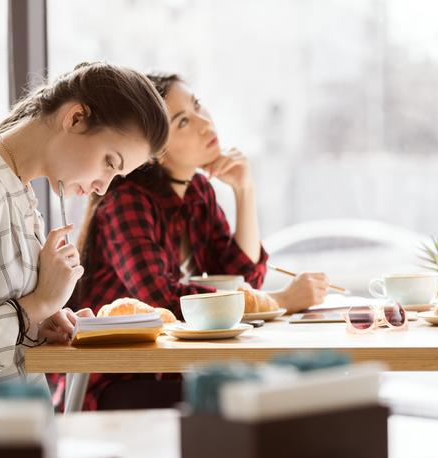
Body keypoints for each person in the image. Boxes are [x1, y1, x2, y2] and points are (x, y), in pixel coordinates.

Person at [50, 73, 329, 411]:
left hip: (172, 370)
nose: (203, 122)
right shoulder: (125, 201)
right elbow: (161, 298)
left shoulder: (197, 191)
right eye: (183, 121)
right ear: (154, 150)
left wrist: (244, 191)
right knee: (256, 399)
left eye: (197, 106)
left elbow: (243, 279)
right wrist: (280, 299)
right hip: (116, 378)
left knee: (280, 389)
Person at [0, 62, 170, 395]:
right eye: (109, 162)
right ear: (75, 118)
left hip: (8, 429)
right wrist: (36, 306)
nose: (102, 186)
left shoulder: (14, 195)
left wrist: (37, 326)